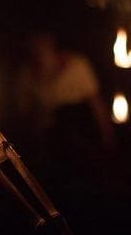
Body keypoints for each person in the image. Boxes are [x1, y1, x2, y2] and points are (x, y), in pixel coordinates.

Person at [15, 33, 115, 176]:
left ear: (50, 43)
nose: (37, 49)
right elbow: (28, 118)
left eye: (41, 43)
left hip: (81, 135)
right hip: (52, 142)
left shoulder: (77, 65)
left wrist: (107, 136)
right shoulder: (25, 77)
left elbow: (96, 103)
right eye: (33, 45)